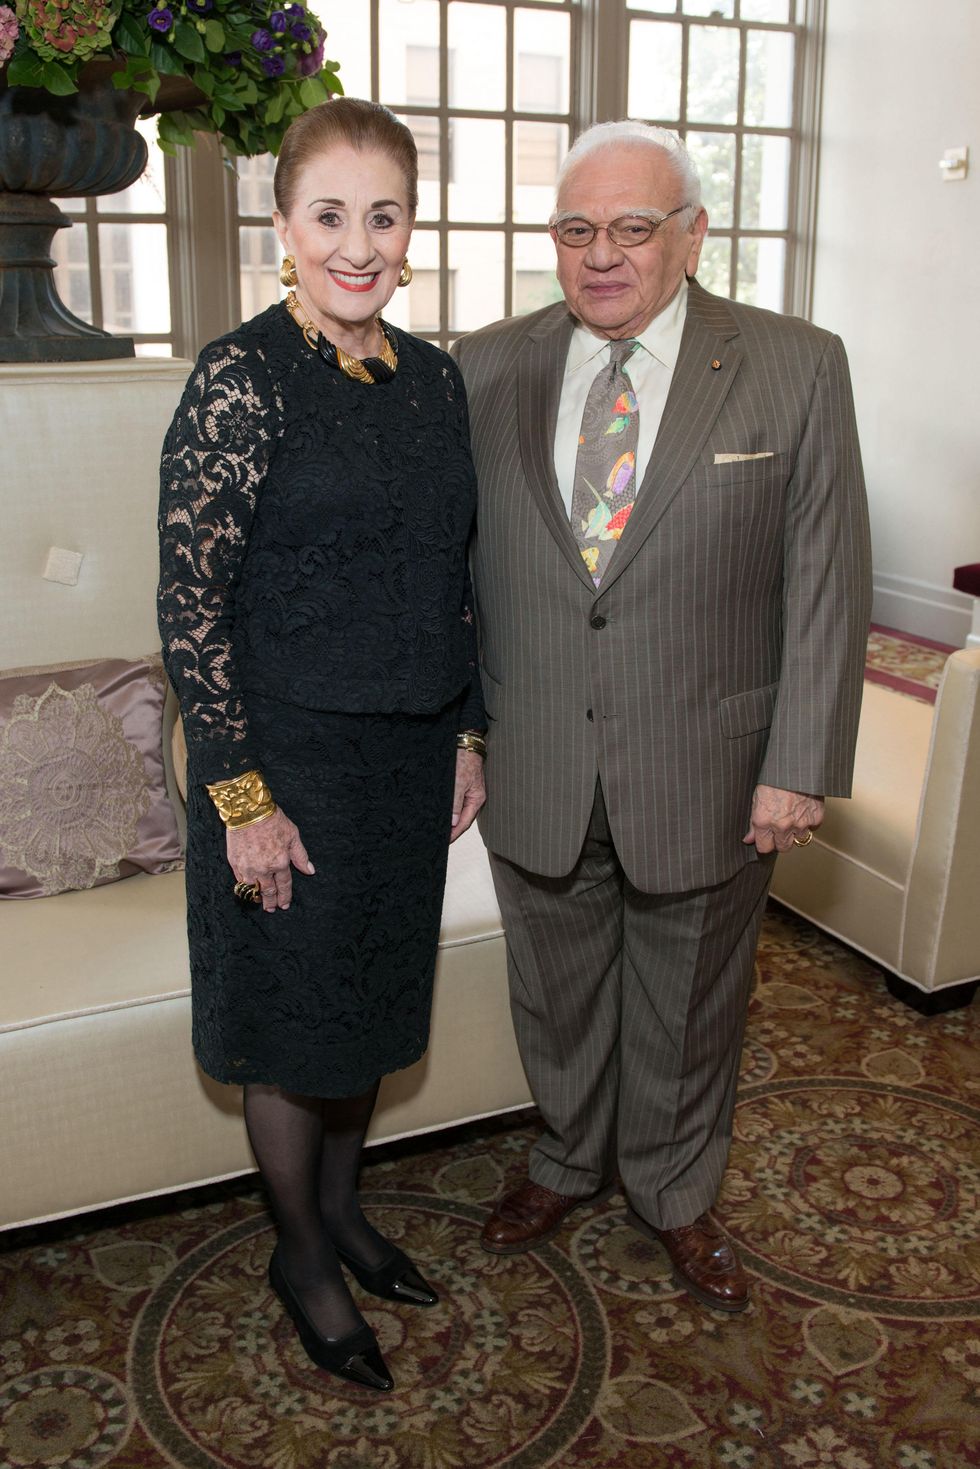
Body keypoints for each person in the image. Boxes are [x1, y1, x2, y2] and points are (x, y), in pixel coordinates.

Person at [452, 121, 871, 1313]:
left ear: (691, 232)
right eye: (577, 229)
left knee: (691, 1003)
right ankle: (565, 1158)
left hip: (713, 763)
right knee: (557, 988)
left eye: (632, 227)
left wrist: (798, 764)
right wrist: (461, 735)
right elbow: (451, 575)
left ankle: (675, 1193)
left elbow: (825, 583)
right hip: (536, 756)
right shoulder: (484, 366)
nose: (602, 255)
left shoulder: (795, 363)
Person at [158, 98, 486, 1391]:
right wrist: (242, 800)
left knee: (365, 1013)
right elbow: (191, 608)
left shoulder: (438, 377)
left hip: (407, 763)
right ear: (283, 225)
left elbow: (451, 575)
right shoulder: (239, 379)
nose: (359, 242)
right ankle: (301, 1251)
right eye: (330, 214)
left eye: (385, 213)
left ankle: (346, 1214)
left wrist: (467, 732)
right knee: (297, 1027)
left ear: (412, 229)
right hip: (283, 765)